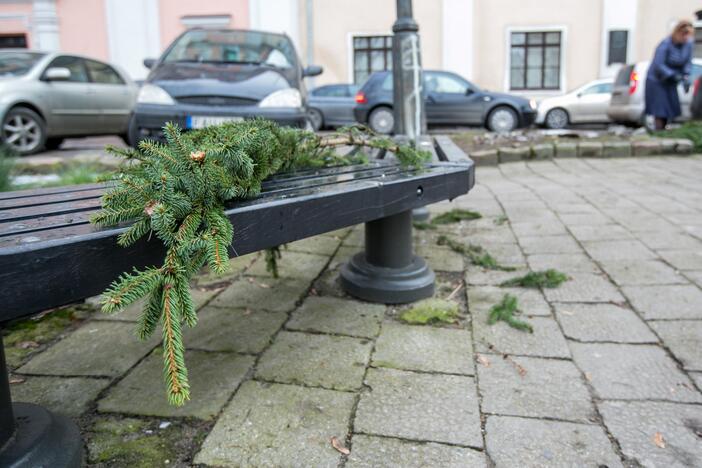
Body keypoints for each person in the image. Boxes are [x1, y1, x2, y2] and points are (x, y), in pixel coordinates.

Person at [645, 20, 694, 130]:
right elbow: (658, 64)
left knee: (670, 107)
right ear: (677, 33)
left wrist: (686, 76)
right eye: (684, 35)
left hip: (670, 81)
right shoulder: (666, 44)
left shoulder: (688, 45)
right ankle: (659, 131)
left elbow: (687, 62)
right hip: (657, 80)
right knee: (660, 108)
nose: (686, 38)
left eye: (688, 35)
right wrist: (672, 74)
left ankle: (664, 130)